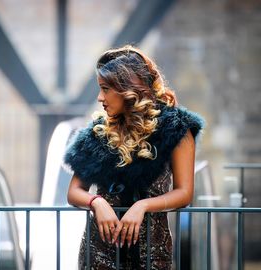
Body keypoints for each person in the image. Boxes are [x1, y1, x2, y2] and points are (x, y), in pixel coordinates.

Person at [64, 44, 204, 269]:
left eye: (105, 88)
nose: (100, 97)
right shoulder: (97, 131)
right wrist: (96, 202)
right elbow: (73, 192)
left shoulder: (177, 128)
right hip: (99, 251)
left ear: (127, 88)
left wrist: (143, 206)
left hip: (152, 252)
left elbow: (184, 193)